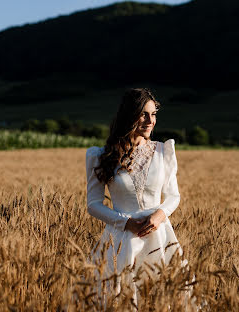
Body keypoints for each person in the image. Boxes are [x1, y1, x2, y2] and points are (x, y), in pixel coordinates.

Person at [85, 88, 190, 308]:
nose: (150, 120)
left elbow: (173, 195)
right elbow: (93, 205)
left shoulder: (164, 151)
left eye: (153, 114)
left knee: (164, 300)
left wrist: (159, 216)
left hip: (159, 237)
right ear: (128, 115)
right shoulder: (100, 155)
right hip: (120, 240)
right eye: (144, 114)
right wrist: (126, 223)